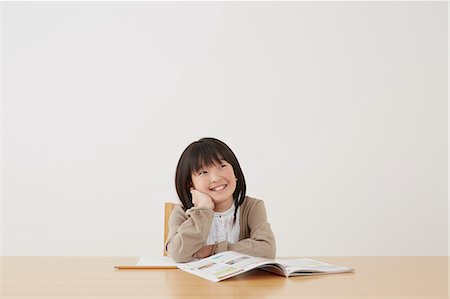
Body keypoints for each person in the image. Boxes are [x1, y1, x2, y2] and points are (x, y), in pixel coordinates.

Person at [165, 137, 276, 263]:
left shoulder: (252, 207)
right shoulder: (181, 212)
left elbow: (267, 249)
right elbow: (177, 254)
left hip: (241, 282)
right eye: (203, 172)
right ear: (190, 184)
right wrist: (204, 209)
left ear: (235, 173)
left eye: (222, 166)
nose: (215, 178)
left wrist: (214, 250)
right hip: (196, 282)